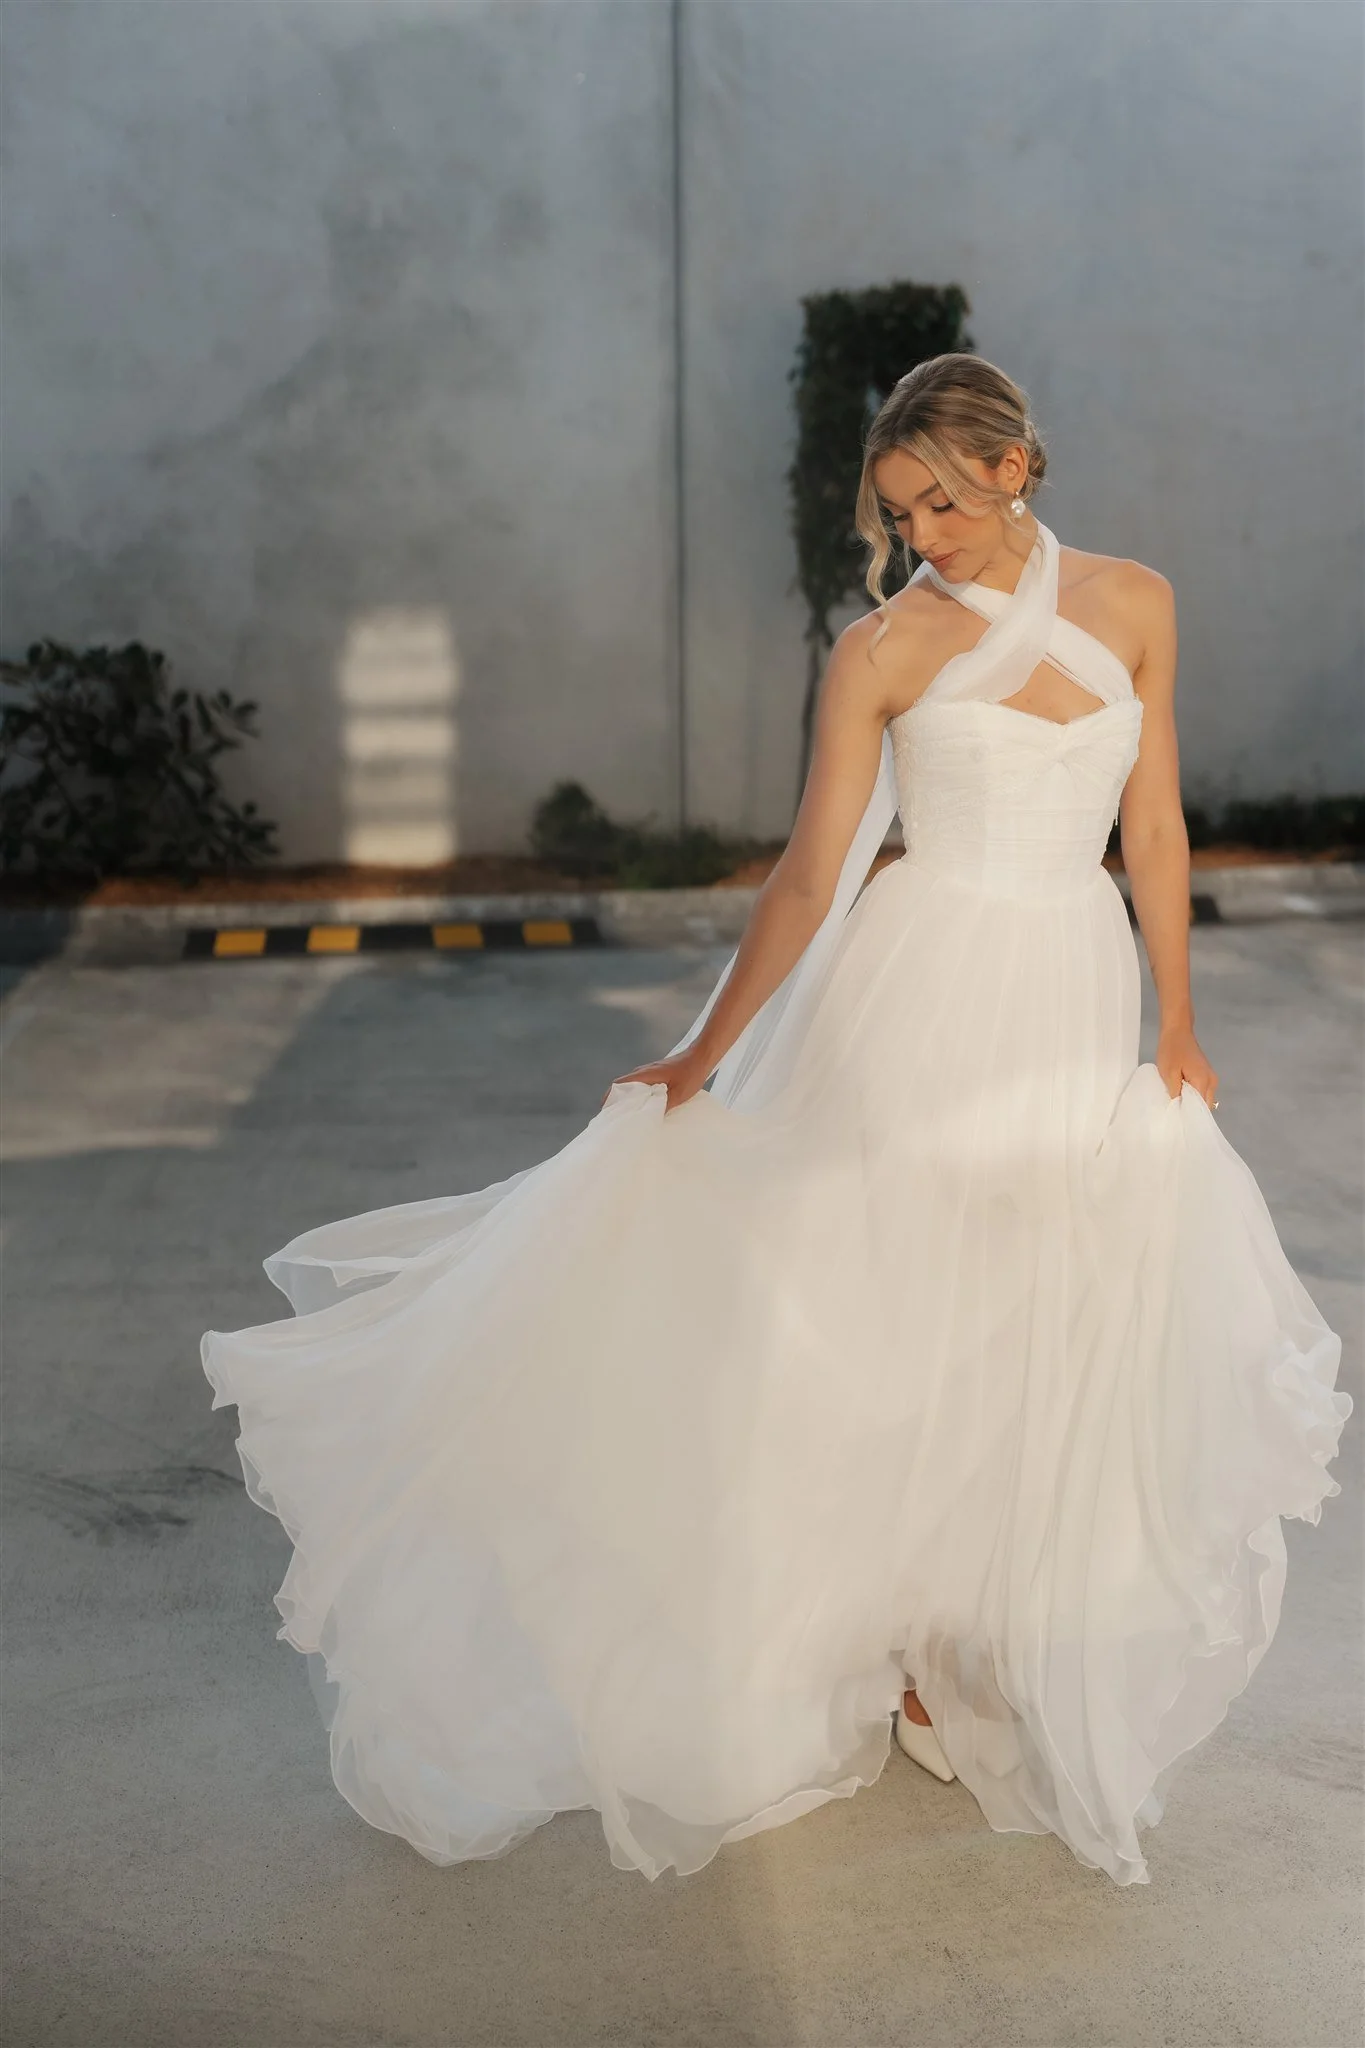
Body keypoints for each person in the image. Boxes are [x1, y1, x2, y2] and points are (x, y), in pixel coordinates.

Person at [202, 354, 1351, 1888]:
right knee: (906, 1301)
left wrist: (1182, 1025)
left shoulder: (1138, 601)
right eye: (900, 513)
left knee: (1034, 1304)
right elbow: (812, 875)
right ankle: (912, 1653)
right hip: (922, 990)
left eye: (943, 502)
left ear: (1015, 467)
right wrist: (703, 1049)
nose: (924, 534)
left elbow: (1153, 820)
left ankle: (962, 1625)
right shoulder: (883, 649)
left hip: (1072, 985)